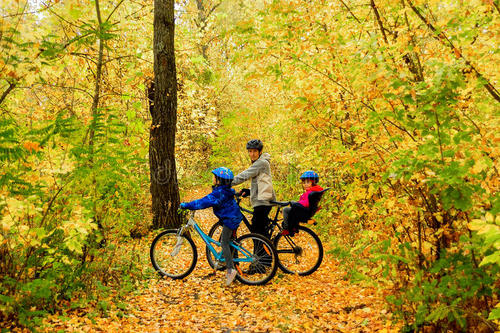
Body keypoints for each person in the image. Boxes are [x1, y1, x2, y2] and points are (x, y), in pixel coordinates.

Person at [180, 167, 243, 286]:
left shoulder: (219, 193)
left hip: (230, 219)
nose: (213, 179)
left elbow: (203, 202)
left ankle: (231, 270)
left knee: (224, 243)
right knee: (227, 241)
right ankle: (228, 259)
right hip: (233, 217)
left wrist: (187, 205)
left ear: (219, 180)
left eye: (215, 177)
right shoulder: (225, 190)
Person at [232, 139, 276, 239]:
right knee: (259, 233)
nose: (252, 154)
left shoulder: (261, 163)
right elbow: (261, 183)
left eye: (255, 151)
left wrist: (226, 182)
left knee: (257, 234)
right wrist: (249, 190)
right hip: (262, 201)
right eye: (250, 151)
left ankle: (264, 254)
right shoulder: (260, 162)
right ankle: (264, 252)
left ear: (260, 152)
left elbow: (245, 175)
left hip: (263, 202)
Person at [282, 170, 324, 235]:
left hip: (304, 212)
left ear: (313, 183)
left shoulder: (311, 193)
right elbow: (305, 202)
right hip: (305, 211)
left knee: (289, 208)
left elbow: (306, 203)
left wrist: (297, 204)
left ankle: (288, 228)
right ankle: (292, 226)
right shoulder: (312, 191)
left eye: (308, 182)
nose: (305, 184)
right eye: (304, 183)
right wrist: (297, 203)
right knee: (287, 209)